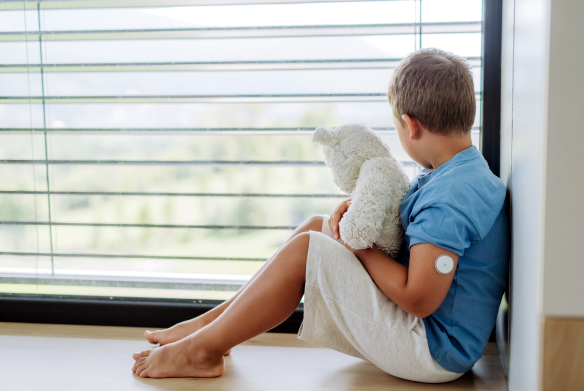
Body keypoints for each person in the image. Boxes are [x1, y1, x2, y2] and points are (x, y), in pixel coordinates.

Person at [131, 48, 509, 383]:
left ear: (411, 125)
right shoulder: (462, 172)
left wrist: (358, 248)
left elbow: (419, 299)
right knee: (317, 226)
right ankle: (212, 328)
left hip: (434, 351)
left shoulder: (449, 198)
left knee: (308, 249)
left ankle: (202, 351)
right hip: (434, 335)